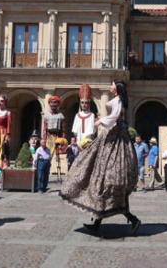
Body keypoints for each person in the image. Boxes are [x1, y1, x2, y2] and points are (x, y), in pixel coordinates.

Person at [60, 80, 141, 235]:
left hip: (115, 137)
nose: (110, 86)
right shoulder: (117, 100)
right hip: (112, 134)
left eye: (112, 84)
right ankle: (98, 223)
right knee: (98, 173)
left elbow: (115, 116)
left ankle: (132, 219)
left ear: (116, 88)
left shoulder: (118, 101)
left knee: (104, 176)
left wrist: (99, 122)